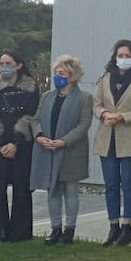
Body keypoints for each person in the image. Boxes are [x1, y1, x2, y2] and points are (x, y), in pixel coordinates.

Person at [0, 49, 40, 242]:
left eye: (8, 63)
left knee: (22, 188)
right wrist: (1, 143)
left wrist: (16, 142)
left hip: (22, 144)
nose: (4, 67)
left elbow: (31, 115)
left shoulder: (31, 88)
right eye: (1, 63)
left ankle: (19, 233)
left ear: (18, 65)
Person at [92, 39, 131, 246]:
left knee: (128, 183)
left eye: (127, 56)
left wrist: (122, 116)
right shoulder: (105, 78)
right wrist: (105, 113)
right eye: (120, 55)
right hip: (107, 137)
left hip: (130, 137)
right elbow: (96, 103)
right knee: (111, 185)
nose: (123, 59)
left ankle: (127, 225)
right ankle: (113, 225)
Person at [31, 55, 94, 245]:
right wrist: (39, 136)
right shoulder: (47, 97)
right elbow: (36, 119)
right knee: (53, 190)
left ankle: (70, 228)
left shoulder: (84, 98)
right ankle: (55, 227)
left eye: (62, 73)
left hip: (70, 151)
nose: (58, 76)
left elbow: (83, 125)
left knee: (70, 189)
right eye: (56, 73)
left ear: (73, 76)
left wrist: (63, 141)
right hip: (48, 149)